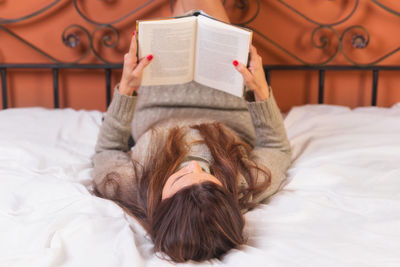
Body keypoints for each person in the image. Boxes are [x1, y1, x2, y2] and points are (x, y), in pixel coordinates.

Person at [92, 0, 291, 262]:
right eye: (209, 177)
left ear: (160, 206)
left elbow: (108, 149)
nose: (195, 166)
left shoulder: (128, 185)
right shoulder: (246, 185)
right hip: (226, 95)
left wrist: (127, 88)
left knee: (189, 12)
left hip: (160, 95)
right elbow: (276, 147)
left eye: (179, 178)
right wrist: (260, 91)